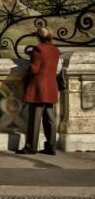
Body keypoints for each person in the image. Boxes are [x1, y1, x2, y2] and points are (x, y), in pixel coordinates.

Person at [17, 27, 62, 155]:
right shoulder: (56, 50)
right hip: (51, 86)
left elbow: (34, 68)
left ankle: (31, 147)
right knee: (49, 118)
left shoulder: (38, 49)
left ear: (39, 37)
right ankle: (51, 146)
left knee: (35, 119)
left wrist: (25, 75)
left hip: (39, 88)